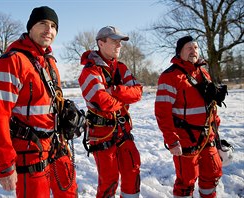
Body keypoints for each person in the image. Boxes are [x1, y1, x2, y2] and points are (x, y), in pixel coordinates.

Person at [0, 6, 79, 197]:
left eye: (53, 26)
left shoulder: (49, 61)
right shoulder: (12, 61)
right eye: (42, 23)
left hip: (57, 144)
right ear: (30, 27)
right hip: (29, 150)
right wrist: (5, 165)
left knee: (69, 193)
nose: (49, 30)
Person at [155, 36, 223, 198]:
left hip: (208, 137)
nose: (194, 51)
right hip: (185, 139)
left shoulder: (204, 72)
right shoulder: (170, 76)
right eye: (189, 48)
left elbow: (211, 107)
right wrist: (171, 140)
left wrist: (217, 133)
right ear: (180, 52)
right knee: (186, 182)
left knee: (212, 175)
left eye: (196, 48)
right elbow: (162, 112)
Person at [78, 26, 142, 198]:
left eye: (120, 42)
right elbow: (102, 102)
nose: (119, 45)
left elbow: (138, 92)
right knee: (109, 180)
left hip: (124, 131)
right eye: (114, 41)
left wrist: (115, 90)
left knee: (132, 171)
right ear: (101, 43)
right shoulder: (89, 71)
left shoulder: (121, 67)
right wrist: (123, 98)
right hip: (102, 134)